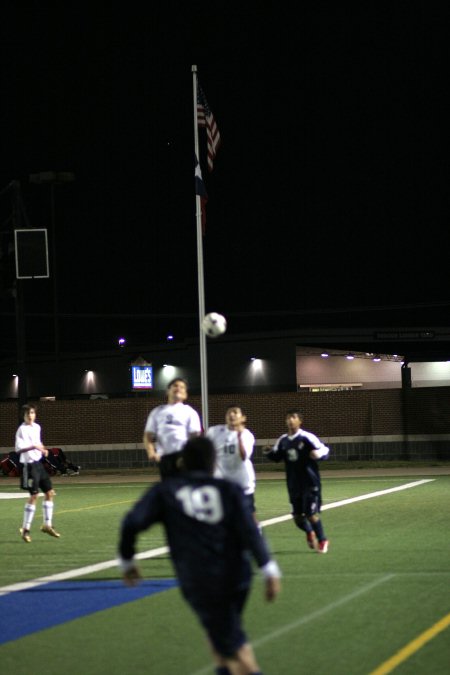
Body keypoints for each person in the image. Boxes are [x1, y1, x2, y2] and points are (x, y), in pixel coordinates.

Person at [118, 435, 281, 675]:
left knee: (233, 645)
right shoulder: (229, 489)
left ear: (182, 462)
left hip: (200, 577)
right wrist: (269, 568)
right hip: (239, 575)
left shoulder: (167, 490)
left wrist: (127, 560)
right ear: (214, 462)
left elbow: (132, 522)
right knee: (222, 635)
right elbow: (250, 531)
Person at [263, 409, 330, 553]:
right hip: (293, 484)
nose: (290, 420)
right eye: (288, 418)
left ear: (300, 421)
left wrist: (318, 454)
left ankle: (323, 539)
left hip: (310, 482)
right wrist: (269, 453)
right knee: (297, 517)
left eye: (293, 417)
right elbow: (277, 457)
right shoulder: (283, 440)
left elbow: (325, 450)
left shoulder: (307, 437)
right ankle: (309, 532)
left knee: (310, 514)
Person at [206, 405, 259, 526]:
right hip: (222, 483)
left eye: (235, 412)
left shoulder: (246, 435)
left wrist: (239, 436)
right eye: (229, 412)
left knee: (249, 516)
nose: (231, 415)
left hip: (242, 483)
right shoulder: (214, 432)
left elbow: (243, 456)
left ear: (243, 418)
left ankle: (256, 537)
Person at [15, 403, 60, 542]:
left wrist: (43, 450)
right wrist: (33, 447)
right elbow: (18, 449)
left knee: (49, 493)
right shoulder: (21, 430)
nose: (30, 416)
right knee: (34, 496)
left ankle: (47, 525)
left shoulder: (37, 427)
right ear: (24, 416)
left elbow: (38, 443)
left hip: (39, 465)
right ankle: (26, 530)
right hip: (28, 466)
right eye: (28, 414)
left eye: (32, 413)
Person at [143, 377, 202, 479]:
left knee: (184, 489)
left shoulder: (189, 412)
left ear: (185, 394)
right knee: (169, 489)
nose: (178, 388)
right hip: (164, 457)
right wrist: (151, 452)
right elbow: (148, 435)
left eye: (182, 387)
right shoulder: (157, 412)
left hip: (183, 456)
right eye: (175, 386)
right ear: (167, 391)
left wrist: (191, 455)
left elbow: (195, 437)